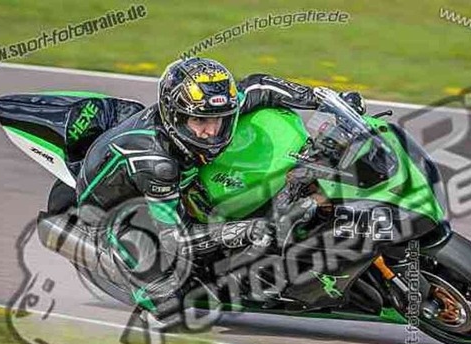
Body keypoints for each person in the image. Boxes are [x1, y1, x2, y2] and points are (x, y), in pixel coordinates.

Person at [73, 56, 365, 308]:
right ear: (176, 117)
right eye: (200, 122)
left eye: (219, 120)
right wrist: (243, 230)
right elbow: (176, 238)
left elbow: (260, 86)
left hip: (179, 184)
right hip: (119, 211)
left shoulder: (210, 111)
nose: (211, 132)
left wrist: (327, 101)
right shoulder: (158, 164)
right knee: (171, 302)